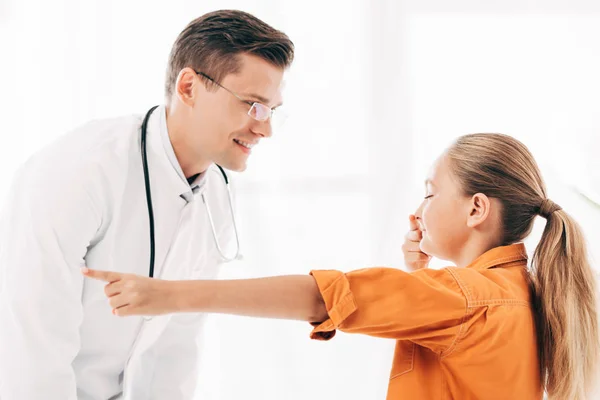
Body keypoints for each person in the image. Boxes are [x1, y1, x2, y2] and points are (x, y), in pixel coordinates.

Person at [85, 133, 599, 399]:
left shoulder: (465, 298)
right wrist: (420, 274)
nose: (418, 208)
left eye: (431, 191)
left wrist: (170, 294)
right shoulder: (521, 291)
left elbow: (324, 296)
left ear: (477, 208)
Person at [0, 9, 294, 400]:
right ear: (188, 87)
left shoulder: (217, 192)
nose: (265, 128)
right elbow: (30, 346)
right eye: (252, 105)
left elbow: (175, 347)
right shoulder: (81, 170)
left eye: (271, 111)